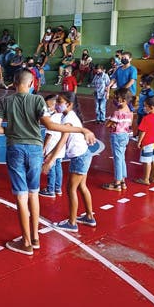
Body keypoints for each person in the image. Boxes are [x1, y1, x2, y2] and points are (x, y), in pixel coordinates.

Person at [0, 70, 95, 255]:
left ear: (14, 83)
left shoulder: (5, 101)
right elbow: (50, 126)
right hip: (35, 151)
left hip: (15, 149)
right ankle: (36, 238)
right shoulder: (38, 100)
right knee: (34, 194)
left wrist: (14, 131)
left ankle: (26, 243)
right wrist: (82, 130)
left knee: (21, 197)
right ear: (32, 84)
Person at [46, 92, 96, 232]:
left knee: (71, 189)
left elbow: (62, 140)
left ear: (69, 104)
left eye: (60, 102)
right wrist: (51, 154)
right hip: (83, 155)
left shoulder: (68, 118)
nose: (57, 104)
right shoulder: (66, 116)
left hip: (80, 157)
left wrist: (51, 160)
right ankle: (89, 216)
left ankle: (72, 222)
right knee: (81, 187)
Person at [101, 88, 133, 191]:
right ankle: (123, 181)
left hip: (117, 136)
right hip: (125, 135)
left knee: (117, 159)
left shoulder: (117, 112)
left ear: (123, 100)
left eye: (117, 98)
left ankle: (117, 183)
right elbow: (130, 123)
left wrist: (111, 122)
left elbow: (108, 124)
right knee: (121, 158)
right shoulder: (129, 110)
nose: (115, 99)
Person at [39, 94, 64, 198]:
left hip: (52, 145)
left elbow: (49, 134)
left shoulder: (53, 118)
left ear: (56, 104)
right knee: (58, 166)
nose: (48, 108)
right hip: (60, 147)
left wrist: (44, 147)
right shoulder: (62, 116)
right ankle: (58, 188)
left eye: (49, 106)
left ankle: (50, 189)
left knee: (51, 167)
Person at [136, 97, 154, 185]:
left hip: (148, 142)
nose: (144, 108)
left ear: (151, 107)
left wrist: (139, 141)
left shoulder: (146, 118)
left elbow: (143, 131)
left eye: (145, 106)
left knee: (147, 161)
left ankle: (146, 179)